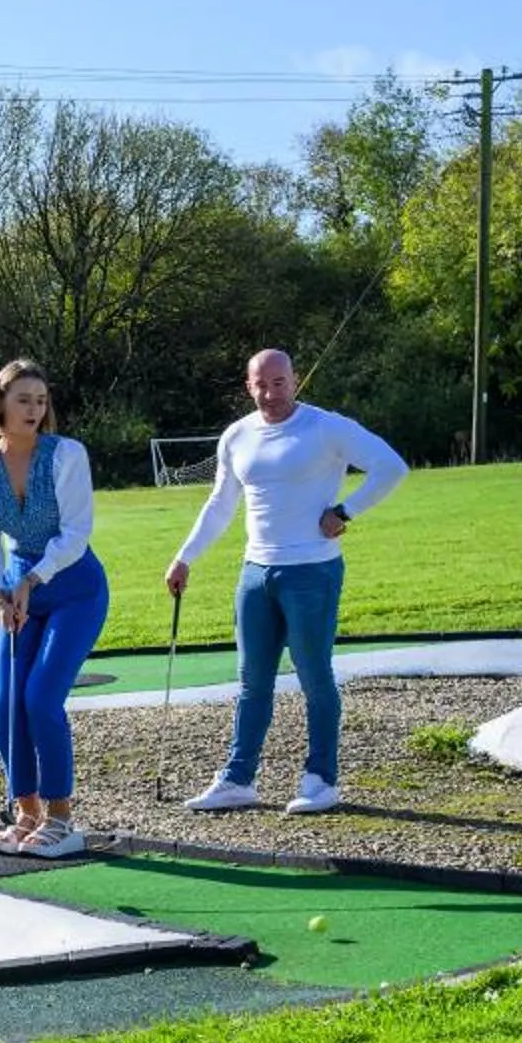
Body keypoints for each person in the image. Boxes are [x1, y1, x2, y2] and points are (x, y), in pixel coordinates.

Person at [165, 348, 408, 814]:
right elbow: (220, 504)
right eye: (261, 384)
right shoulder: (237, 435)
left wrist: (345, 511)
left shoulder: (326, 426)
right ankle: (238, 779)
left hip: (313, 570)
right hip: (255, 571)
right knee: (252, 680)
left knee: (314, 675)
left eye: (279, 383)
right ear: (248, 386)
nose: (271, 393)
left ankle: (321, 779)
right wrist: (184, 557)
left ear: (294, 381)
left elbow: (391, 466)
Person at [0, 359, 108, 858]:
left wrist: (30, 578)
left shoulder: (66, 454)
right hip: (17, 588)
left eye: (41, 401)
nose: (34, 410)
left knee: (41, 699)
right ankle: (26, 813)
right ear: (0, 404)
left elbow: (76, 533)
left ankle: (60, 818)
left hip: (74, 588)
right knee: (6, 705)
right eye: (23, 400)